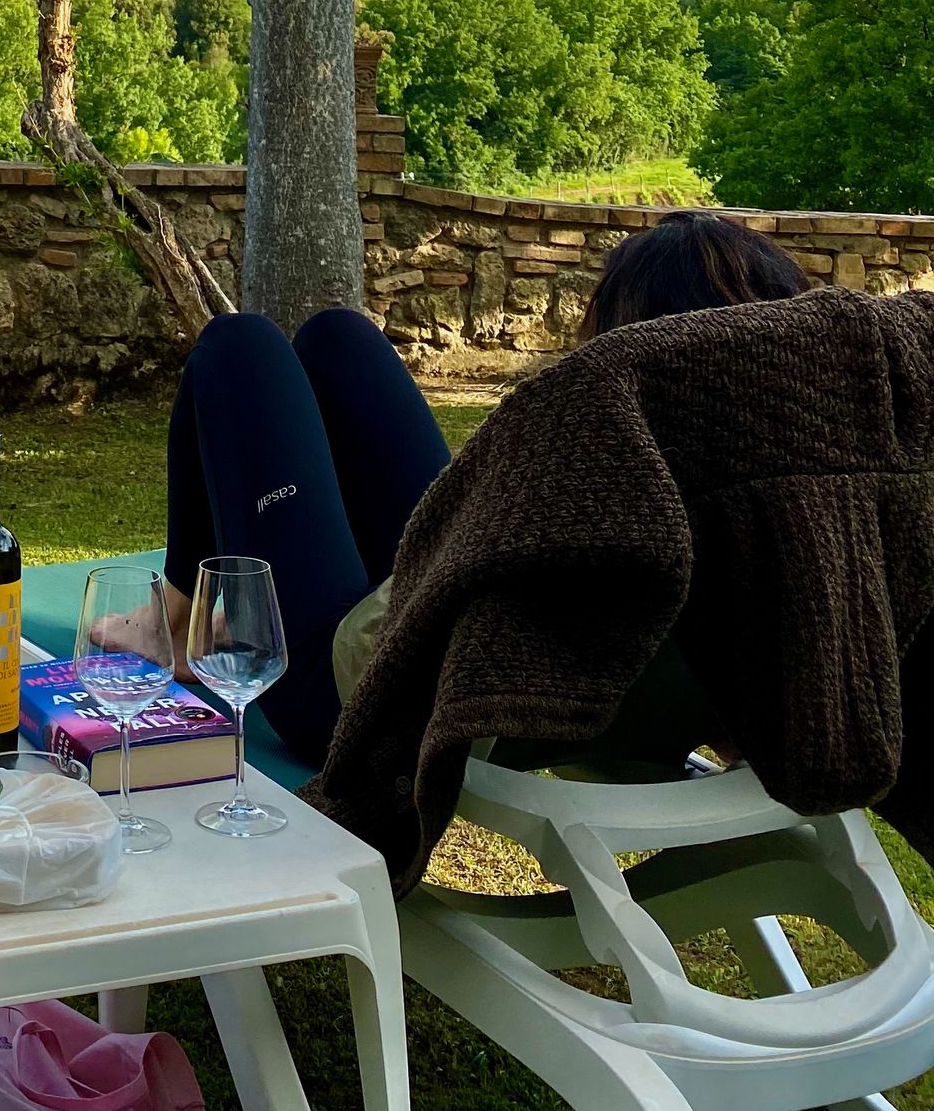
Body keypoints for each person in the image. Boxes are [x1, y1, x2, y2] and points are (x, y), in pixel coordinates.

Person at [152, 212, 808, 767]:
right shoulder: (802, 507)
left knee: (239, 347)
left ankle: (178, 623)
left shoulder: (608, 469)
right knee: (338, 336)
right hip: (447, 622)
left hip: (358, 690)